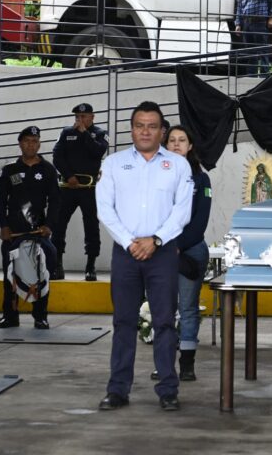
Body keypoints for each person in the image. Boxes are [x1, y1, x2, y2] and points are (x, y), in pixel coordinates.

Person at [96, 101, 193, 412]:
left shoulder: (178, 166)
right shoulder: (113, 163)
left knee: (165, 323)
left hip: (162, 253)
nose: (146, 131)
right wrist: (130, 243)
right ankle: (117, 390)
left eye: (153, 126)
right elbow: (104, 210)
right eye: (140, 125)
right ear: (132, 129)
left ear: (162, 131)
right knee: (123, 322)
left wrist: (156, 239)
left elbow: (182, 211)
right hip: (126, 254)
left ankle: (168, 390)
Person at [150, 125, 212, 382]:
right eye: (172, 140)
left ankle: (186, 365)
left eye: (181, 140)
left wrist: (175, 246)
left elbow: (199, 221)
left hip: (190, 251)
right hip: (160, 250)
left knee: (187, 309)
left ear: (190, 146)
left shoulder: (201, 179)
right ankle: (164, 365)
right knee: (163, 311)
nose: (176, 144)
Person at [0, 126, 59, 329]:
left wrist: (48, 225)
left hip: (38, 232)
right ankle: (10, 316)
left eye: (34, 141)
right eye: (26, 141)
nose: (30, 145)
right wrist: (3, 226)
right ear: (20, 144)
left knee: (41, 274)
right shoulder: (10, 170)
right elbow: (0, 200)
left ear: (39, 144)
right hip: (14, 232)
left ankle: (40, 316)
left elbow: (56, 202)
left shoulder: (48, 170)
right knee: (9, 275)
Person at [51, 103, 109, 281]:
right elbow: (57, 156)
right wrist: (68, 176)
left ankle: (90, 266)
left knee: (91, 226)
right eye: (77, 117)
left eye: (84, 116)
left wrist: (85, 133)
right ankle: (57, 264)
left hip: (88, 189)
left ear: (92, 117)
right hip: (68, 187)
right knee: (59, 225)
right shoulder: (67, 132)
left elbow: (98, 152)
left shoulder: (99, 134)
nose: (80, 120)